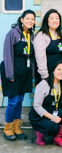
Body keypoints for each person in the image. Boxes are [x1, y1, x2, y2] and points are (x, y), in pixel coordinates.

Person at [1, 10, 36, 141]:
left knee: (20, 101)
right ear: (22, 19)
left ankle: (17, 127)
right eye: (27, 18)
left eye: (32, 19)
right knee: (13, 102)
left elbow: (32, 57)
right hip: (13, 71)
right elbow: (7, 55)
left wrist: (31, 73)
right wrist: (10, 74)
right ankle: (8, 128)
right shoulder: (13, 33)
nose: (30, 21)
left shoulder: (31, 35)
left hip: (25, 73)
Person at [29, 61, 62, 147]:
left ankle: (57, 138)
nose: (61, 72)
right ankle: (40, 134)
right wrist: (52, 117)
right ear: (53, 70)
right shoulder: (43, 85)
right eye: (59, 69)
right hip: (38, 116)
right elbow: (37, 106)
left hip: (52, 111)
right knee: (54, 128)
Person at [34, 9, 62, 84]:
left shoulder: (61, 34)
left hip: (60, 75)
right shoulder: (41, 36)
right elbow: (40, 57)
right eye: (51, 18)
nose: (55, 20)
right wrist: (45, 76)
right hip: (48, 75)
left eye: (57, 18)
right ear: (46, 20)